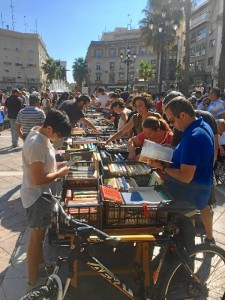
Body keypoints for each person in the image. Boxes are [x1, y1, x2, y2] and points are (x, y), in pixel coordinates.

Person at [147, 97, 215, 244]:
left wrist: (162, 167)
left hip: (189, 190)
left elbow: (185, 177)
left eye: (172, 121)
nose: (172, 126)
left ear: (183, 115)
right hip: (202, 184)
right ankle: (200, 239)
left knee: (149, 199)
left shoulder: (193, 137)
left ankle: (171, 243)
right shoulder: (202, 125)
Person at [20, 109, 72, 291]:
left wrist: (60, 165)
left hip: (41, 195)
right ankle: (32, 283)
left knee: (39, 238)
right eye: (58, 134)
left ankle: (40, 267)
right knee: (36, 239)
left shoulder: (40, 134)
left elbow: (44, 166)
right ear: (49, 128)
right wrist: (60, 173)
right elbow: (38, 179)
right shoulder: (36, 143)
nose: (58, 138)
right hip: (36, 197)